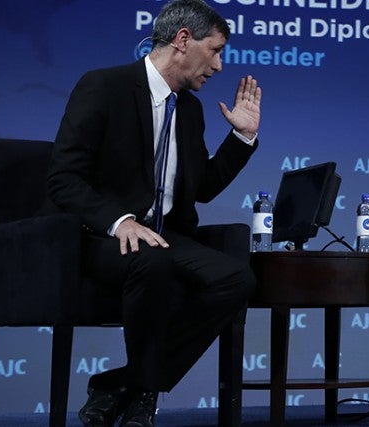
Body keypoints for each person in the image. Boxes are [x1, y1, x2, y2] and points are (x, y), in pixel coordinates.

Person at [45, 0, 261, 426]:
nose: (219, 67)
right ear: (183, 40)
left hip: (166, 236)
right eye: (215, 51)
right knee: (154, 261)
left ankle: (126, 382)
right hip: (103, 236)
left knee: (237, 278)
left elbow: (201, 189)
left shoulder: (191, 110)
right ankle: (143, 392)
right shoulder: (104, 87)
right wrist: (119, 220)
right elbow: (63, 178)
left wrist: (242, 137)